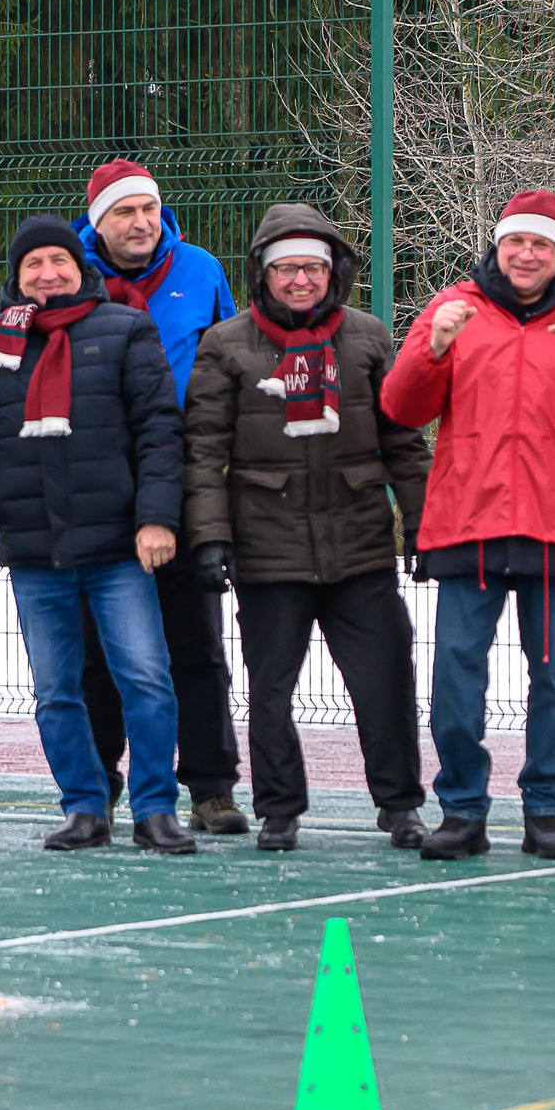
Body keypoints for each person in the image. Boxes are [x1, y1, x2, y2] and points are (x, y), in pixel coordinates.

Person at [381, 190, 555, 861]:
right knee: (456, 677)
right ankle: (463, 810)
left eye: (542, 244)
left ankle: (546, 811)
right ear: (497, 246)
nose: (527, 254)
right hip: (465, 524)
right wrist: (434, 349)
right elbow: (400, 406)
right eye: (516, 242)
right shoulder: (452, 307)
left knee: (551, 678)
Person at [0, 215, 197, 854]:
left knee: (146, 678)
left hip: (119, 550)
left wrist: (157, 518)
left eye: (59, 261)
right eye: (33, 264)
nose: (48, 273)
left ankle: (156, 809)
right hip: (35, 550)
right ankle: (85, 807)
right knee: (55, 690)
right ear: (16, 278)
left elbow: (159, 429)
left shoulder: (125, 330)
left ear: (80, 267)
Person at [182, 204, 432, 853]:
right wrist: (210, 538)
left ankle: (401, 805)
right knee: (270, 690)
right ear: (263, 273)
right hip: (266, 550)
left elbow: (404, 442)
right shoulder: (226, 345)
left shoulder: (370, 337)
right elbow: (204, 450)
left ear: (333, 271)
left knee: (385, 682)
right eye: (286, 267)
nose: (300, 280)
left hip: (361, 544)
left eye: (312, 267)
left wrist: (425, 527)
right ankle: (280, 809)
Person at [71, 159, 249, 835]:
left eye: (148, 208)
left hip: (184, 479)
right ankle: (97, 788)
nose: (140, 222)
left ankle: (211, 786)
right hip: (98, 484)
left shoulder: (200, 270)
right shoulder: (69, 276)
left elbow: (233, 362)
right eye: (123, 212)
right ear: (98, 223)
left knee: (195, 642)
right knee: (97, 650)